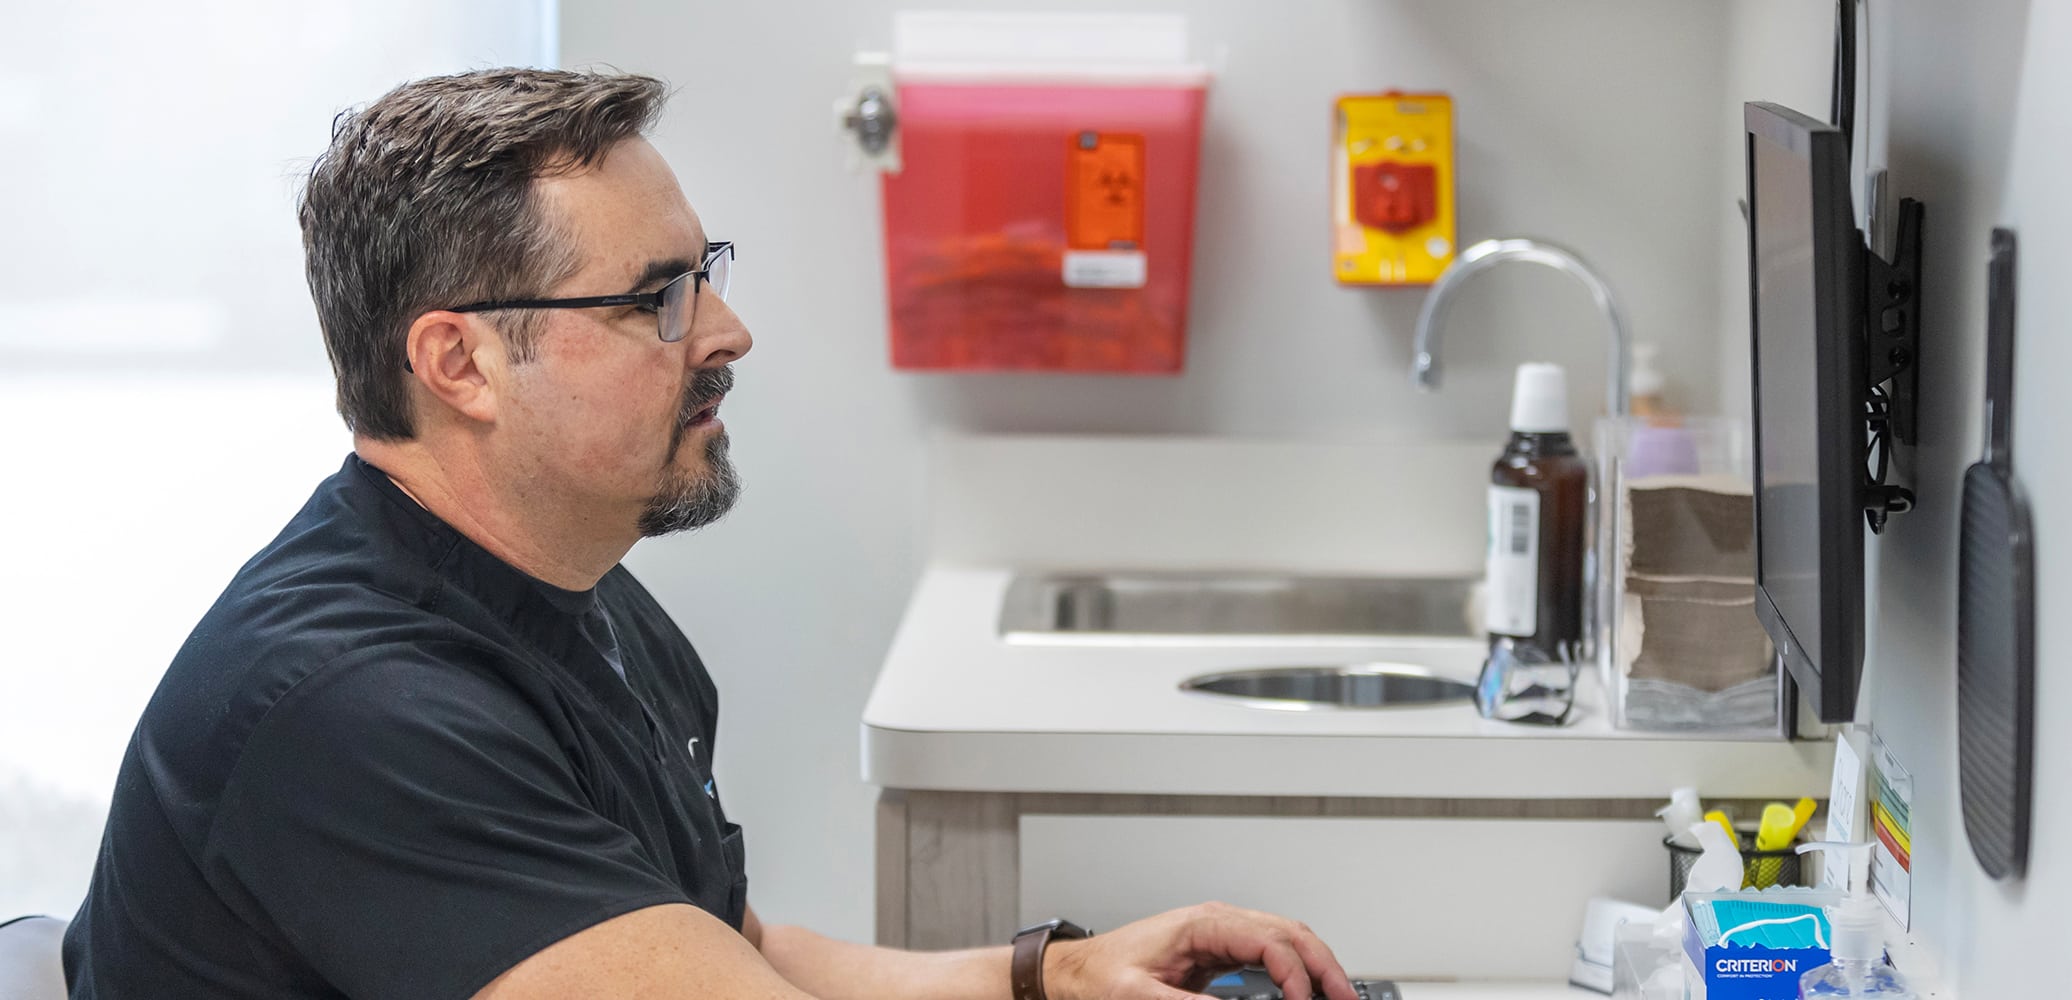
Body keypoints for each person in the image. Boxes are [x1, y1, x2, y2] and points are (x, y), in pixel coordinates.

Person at [61, 68, 1357, 1000]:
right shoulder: (359, 715)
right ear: (459, 363)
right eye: (656, 301)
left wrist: (1056, 973)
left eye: (707, 275)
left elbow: (728, 950)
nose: (726, 333)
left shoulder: (577, 592)